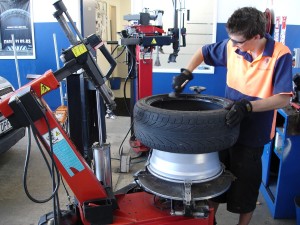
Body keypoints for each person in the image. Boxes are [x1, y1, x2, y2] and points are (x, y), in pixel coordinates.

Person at [171, 7, 293, 225]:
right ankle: (211, 220)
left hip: (254, 132)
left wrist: (248, 107)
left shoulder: (280, 54)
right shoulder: (231, 46)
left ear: (257, 36)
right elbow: (203, 51)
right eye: (232, 40)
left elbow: (283, 99)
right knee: (215, 179)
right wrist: (186, 72)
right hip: (226, 127)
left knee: (246, 186)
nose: (234, 46)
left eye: (239, 42)